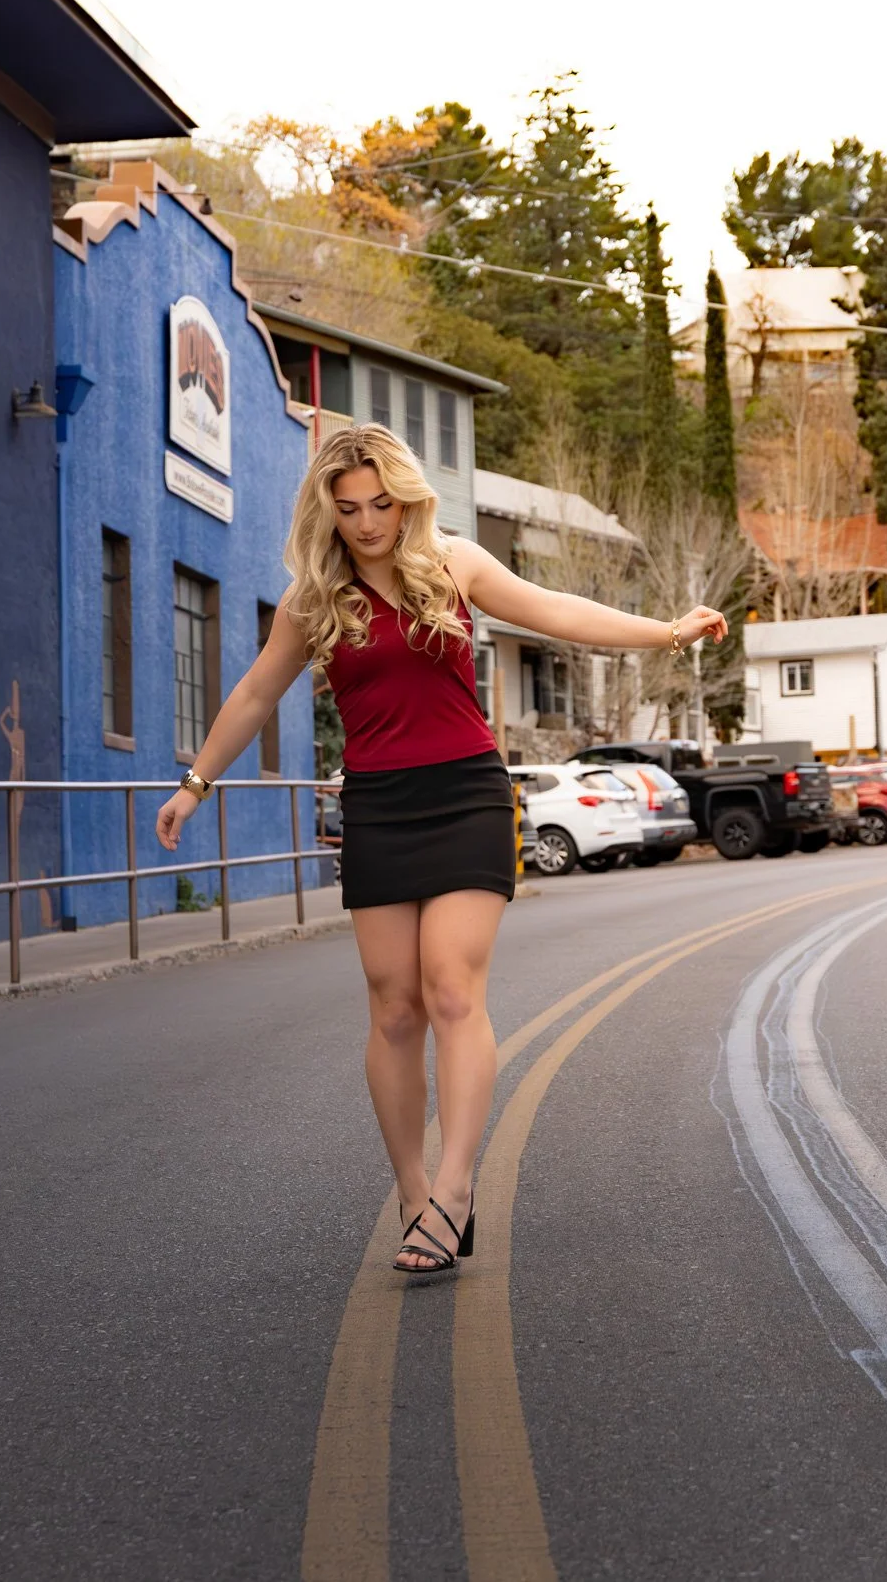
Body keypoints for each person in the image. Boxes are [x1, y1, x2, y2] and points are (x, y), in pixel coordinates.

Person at [155, 425, 727, 1274]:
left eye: (383, 503)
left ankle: (459, 1189)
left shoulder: (454, 563)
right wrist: (195, 782)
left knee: (451, 989)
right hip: (379, 804)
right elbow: (252, 690)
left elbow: (556, 610)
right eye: (349, 509)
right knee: (393, 1007)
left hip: (465, 792)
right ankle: (415, 1190)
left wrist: (668, 632)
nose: (369, 522)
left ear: (408, 496)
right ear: (328, 510)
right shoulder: (314, 596)